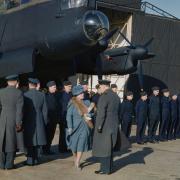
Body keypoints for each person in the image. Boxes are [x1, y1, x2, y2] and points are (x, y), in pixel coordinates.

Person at [92, 80, 121, 175]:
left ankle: (105, 170)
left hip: (105, 125)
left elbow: (101, 114)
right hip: (114, 124)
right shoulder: (116, 96)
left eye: (100, 87)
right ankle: (110, 167)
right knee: (110, 147)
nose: (100, 88)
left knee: (104, 148)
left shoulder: (104, 97)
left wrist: (99, 126)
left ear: (104, 86)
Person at [0, 74, 24, 170]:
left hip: (2, 118)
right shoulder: (19, 93)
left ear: (7, 82)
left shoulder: (1, 92)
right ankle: (9, 165)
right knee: (11, 142)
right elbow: (19, 110)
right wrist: (18, 123)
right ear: (15, 82)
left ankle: (1, 164)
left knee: (1, 141)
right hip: (13, 119)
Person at [66, 85, 91, 170]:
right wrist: (69, 127)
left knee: (81, 144)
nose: (82, 94)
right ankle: (75, 157)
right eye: (81, 93)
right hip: (74, 128)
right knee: (73, 146)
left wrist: (89, 115)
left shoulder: (87, 102)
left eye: (82, 93)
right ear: (76, 94)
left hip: (84, 127)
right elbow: (69, 116)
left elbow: (91, 113)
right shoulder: (72, 103)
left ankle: (77, 162)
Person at [23, 78, 48, 166]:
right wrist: (44, 122)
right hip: (39, 119)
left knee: (30, 140)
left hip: (28, 120)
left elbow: (23, 110)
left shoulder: (25, 95)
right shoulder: (42, 95)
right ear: (36, 85)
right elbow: (45, 110)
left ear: (29, 85)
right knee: (38, 140)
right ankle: (36, 159)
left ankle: (30, 160)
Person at [43, 81, 60, 155]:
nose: (55, 88)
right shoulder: (45, 96)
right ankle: (45, 150)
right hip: (48, 120)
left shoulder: (56, 95)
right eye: (54, 87)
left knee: (51, 135)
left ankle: (48, 149)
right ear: (49, 87)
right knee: (47, 135)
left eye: (55, 87)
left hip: (54, 120)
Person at [59, 81, 72, 153]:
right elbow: (63, 107)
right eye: (69, 86)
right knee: (63, 133)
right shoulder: (62, 95)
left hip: (67, 116)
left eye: (71, 86)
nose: (70, 88)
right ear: (65, 87)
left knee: (67, 132)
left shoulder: (70, 94)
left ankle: (65, 147)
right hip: (63, 116)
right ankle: (62, 148)